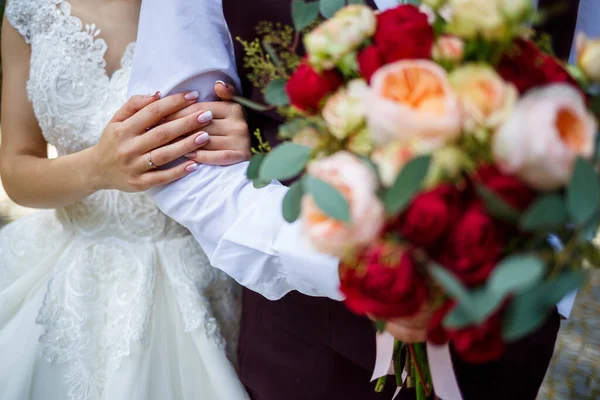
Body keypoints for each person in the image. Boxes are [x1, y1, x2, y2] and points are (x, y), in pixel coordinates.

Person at [129, 0, 588, 399]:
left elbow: (583, 97)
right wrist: (365, 268)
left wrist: (548, 274)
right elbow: (185, 166)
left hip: (511, 329)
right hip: (317, 353)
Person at [0, 0, 251, 399]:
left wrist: (250, 141)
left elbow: (272, 121)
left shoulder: (218, 7)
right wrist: (96, 169)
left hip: (200, 272)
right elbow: (14, 170)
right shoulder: (28, 11)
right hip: (65, 275)